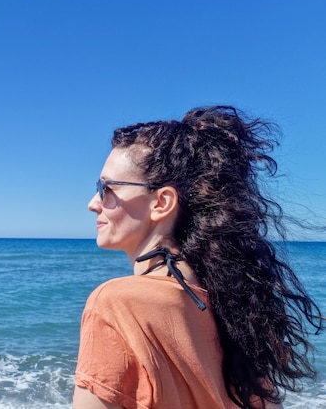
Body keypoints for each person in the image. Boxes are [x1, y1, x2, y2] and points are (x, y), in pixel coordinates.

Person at [73, 106, 323, 409]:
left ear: (162, 202)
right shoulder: (236, 308)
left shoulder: (115, 304)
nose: (93, 203)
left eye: (107, 188)